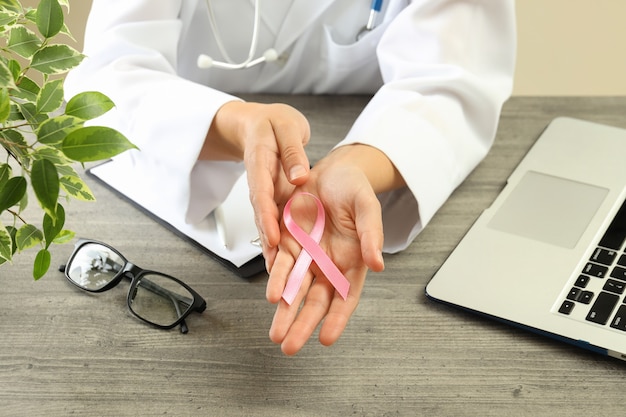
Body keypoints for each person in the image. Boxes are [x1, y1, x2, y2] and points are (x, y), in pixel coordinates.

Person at [65, 0, 516, 355]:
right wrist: (237, 124)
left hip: (358, 128)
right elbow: (107, 76)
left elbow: (455, 80)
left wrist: (357, 163)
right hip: (184, 132)